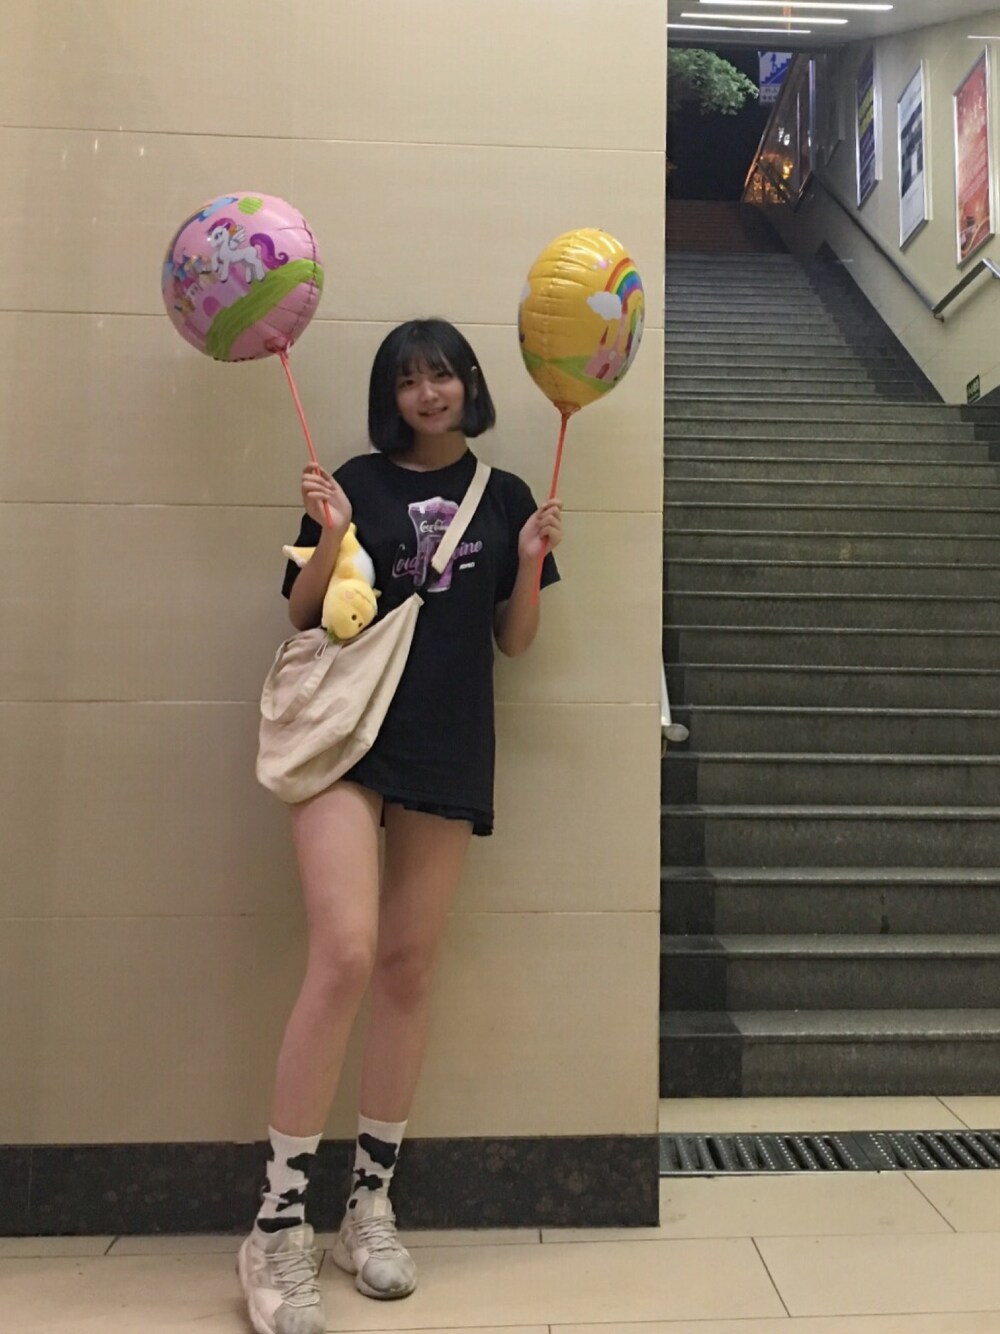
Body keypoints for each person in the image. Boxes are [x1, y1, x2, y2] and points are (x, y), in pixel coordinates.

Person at [239, 318, 562, 1334]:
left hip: (447, 740)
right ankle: (275, 1224)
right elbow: (301, 613)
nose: (429, 393)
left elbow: (514, 641)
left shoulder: (505, 495)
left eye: (444, 374)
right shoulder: (352, 481)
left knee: (410, 968)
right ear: (391, 396)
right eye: (410, 379)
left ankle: (367, 1207)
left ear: (469, 384)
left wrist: (529, 560)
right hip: (345, 738)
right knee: (345, 952)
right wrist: (330, 532)